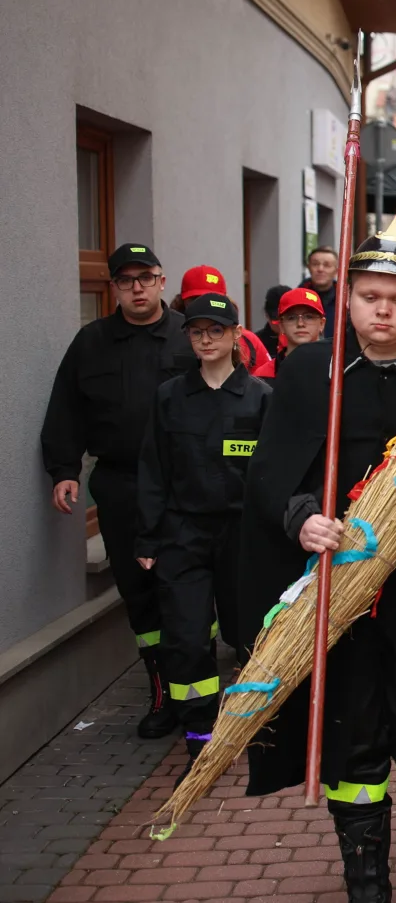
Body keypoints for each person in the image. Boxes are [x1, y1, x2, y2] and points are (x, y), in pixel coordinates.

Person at [238, 221, 396, 903]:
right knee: (350, 724)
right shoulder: (311, 371)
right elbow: (273, 469)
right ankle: (366, 890)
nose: (383, 312)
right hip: (337, 580)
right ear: (346, 299)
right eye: (369, 296)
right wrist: (301, 517)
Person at [42, 243, 197, 738]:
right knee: (139, 592)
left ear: (161, 281)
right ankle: (161, 693)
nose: (136, 287)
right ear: (114, 288)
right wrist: (64, 469)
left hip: (183, 485)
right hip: (121, 485)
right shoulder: (91, 343)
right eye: (126, 280)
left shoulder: (189, 337)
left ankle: (198, 693)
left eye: (145, 277)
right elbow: (65, 410)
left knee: (188, 589)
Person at [135, 294, 272, 772]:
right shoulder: (170, 396)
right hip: (183, 536)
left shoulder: (261, 398)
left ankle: (255, 724)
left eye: (216, 330)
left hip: (242, 537)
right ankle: (199, 735)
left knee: (251, 635)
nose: (206, 339)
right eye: (197, 331)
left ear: (237, 336)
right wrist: (148, 539)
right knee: (188, 640)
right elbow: (153, 470)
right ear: (189, 338)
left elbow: (274, 475)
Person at [178, 266, 276, 379]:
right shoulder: (172, 337)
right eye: (196, 300)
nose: (204, 306)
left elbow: (266, 381)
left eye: (213, 300)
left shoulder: (248, 340)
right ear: (183, 302)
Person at [274, 286, 326, 367]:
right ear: (281, 326)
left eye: (309, 317)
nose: (300, 324)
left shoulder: (336, 372)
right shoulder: (264, 375)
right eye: (292, 318)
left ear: (322, 324)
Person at [302, 245, 341, 337]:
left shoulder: (345, 301)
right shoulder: (297, 299)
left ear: (336, 271)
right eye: (315, 264)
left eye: (327, 265)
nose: (320, 269)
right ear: (309, 267)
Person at [256, 284, 291, 356]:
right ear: (267, 315)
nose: (282, 323)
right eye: (277, 317)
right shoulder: (256, 343)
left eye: (290, 317)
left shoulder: (306, 339)